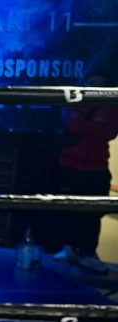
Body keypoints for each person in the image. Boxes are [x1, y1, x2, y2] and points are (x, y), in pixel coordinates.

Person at [43, 72, 118, 273]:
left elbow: (108, 132)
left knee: (92, 214)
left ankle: (87, 253)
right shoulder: (73, 101)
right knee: (67, 210)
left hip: (96, 167)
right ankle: (69, 249)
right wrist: (92, 127)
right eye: (91, 83)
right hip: (70, 164)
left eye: (99, 84)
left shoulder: (111, 106)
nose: (94, 87)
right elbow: (69, 122)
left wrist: (81, 126)